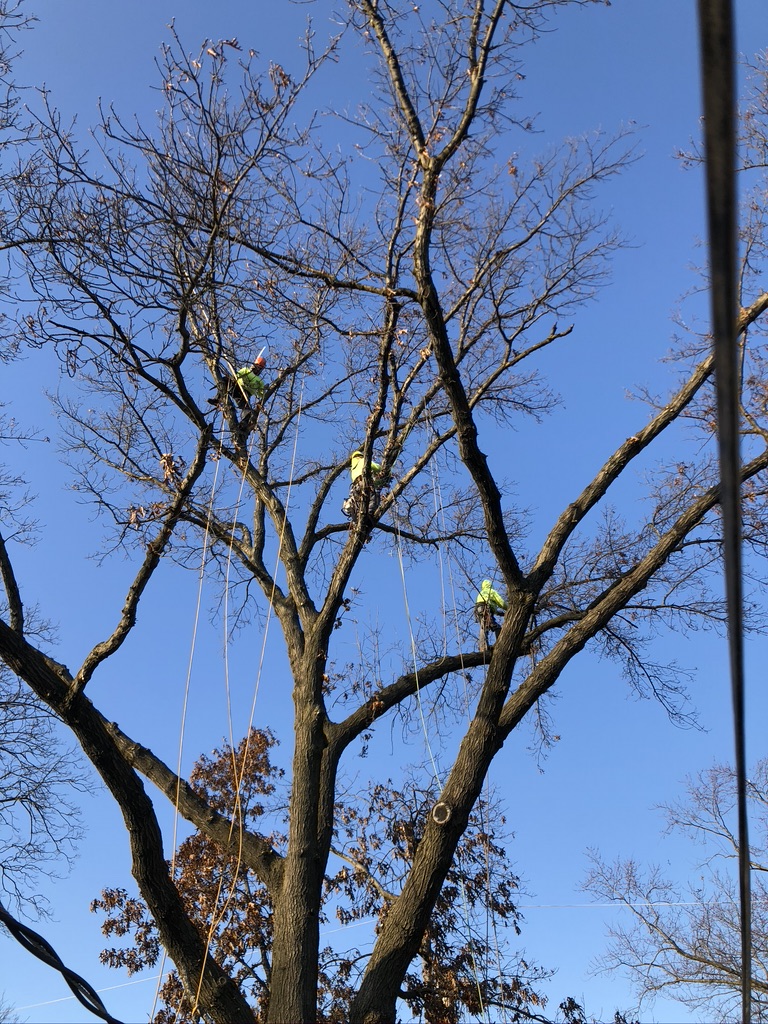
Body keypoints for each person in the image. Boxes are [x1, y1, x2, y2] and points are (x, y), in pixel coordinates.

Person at [342, 448, 384, 519]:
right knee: (373, 497)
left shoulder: (352, 469)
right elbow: (376, 468)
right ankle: (370, 515)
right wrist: (384, 470)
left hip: (355, 488)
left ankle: (359, 517)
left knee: (359, 504)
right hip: (364, 483)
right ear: (360, 456)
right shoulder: (363, 461)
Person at [474, 579, 507, 652]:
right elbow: (501, 603)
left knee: (484, 627)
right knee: (497, 627)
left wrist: (500, 613)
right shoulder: (491, 591)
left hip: (479, 611)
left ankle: (483, 646)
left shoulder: (481, 593)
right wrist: (509, 608)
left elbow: (492, 607)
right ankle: (500, 644)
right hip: (485, 610)